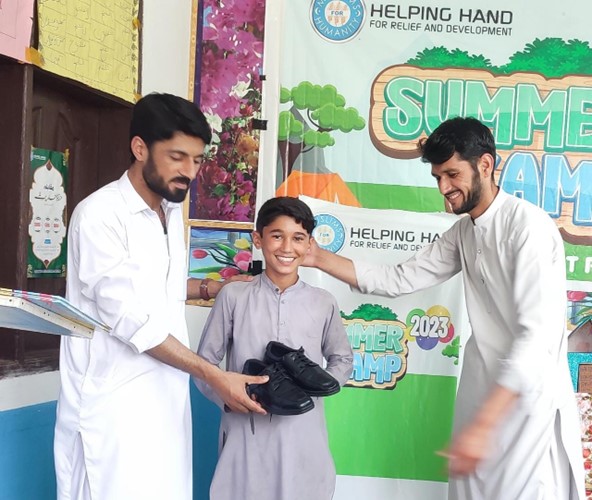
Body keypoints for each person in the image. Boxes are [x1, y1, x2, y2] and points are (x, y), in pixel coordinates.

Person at [304, 117, 585, 499]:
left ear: (485, 165)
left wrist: (484, 425)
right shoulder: (464, 233)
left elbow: (536, 340)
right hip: (480, 393)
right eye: (438, 177)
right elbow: (397, 279)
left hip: (524, 402)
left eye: (452, 174)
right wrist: (317, 256)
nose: (444, 188)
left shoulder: (527, 228)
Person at [53, 93, 267, 500]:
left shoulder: (169, 212)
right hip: (112, 414)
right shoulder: (99, 216)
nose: (190, 172)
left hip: (167, 402)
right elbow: (133, 321)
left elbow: (155, 287)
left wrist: (212, 288)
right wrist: (214, 376)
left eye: (197, 160)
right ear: (140, 148)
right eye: (177, 157)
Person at [194, 196, 353, 500]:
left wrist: (315, 386)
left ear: (309, 244)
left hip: (303, 430)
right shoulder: (234, 296)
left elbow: (342, 359)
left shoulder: (323, 302)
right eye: (277, 236)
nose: (287, 247)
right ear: (259, 239)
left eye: (298, 238)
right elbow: (204, 365)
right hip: (245, 429)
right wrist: (229, 398)